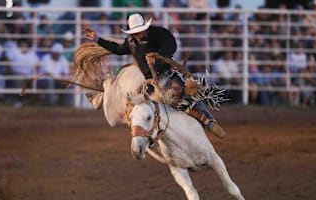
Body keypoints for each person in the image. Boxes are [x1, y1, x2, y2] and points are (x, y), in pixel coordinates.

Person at [83, 13, 226, 138]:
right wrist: (97, 39)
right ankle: (148, 134)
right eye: (135, 32)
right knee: (138, 104)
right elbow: (118, 49)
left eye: (140, 31)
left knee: (186, 94)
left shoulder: (158, 33)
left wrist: (157, 55)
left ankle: (209, 121)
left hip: (166, 73)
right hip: (150, 81)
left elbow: (171, 45)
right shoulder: (131, 43)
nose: (138, 34)